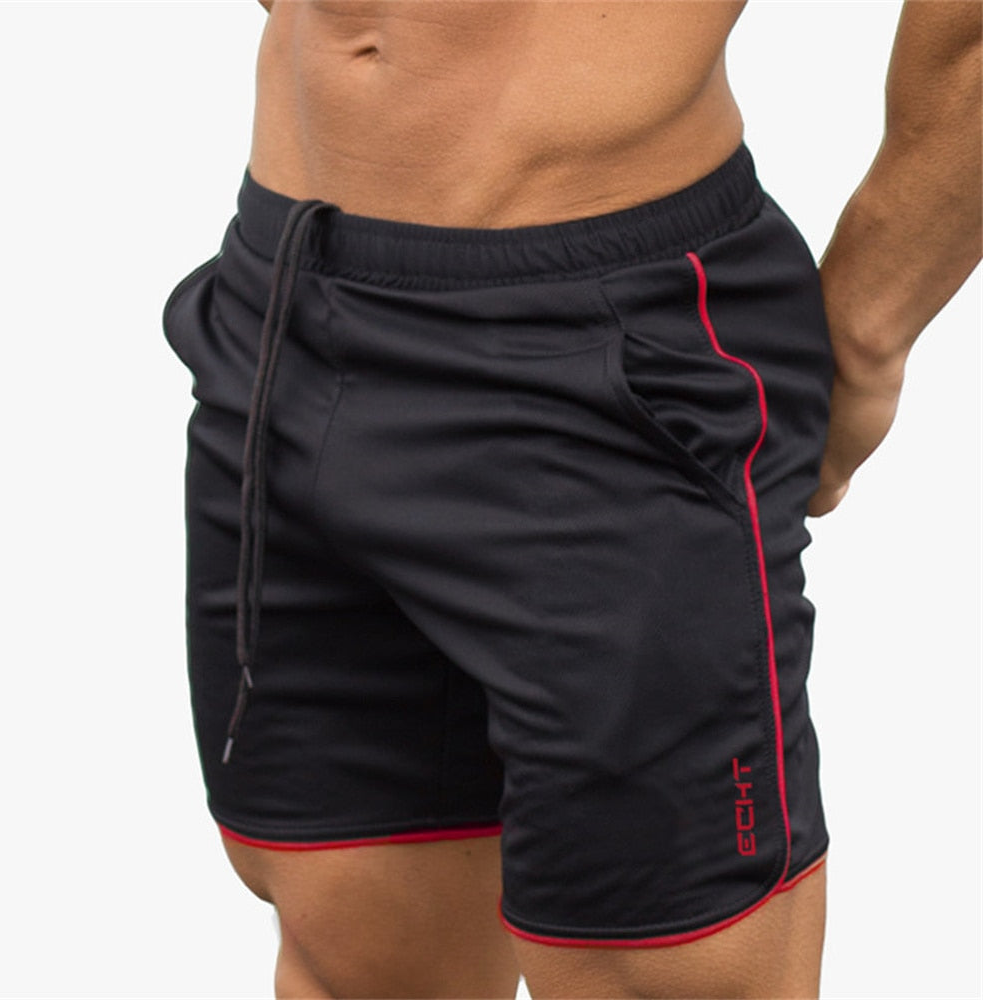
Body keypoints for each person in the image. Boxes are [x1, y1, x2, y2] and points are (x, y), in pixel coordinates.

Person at [161, 1, 981, 996]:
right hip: (285, 302)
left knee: (663, 971)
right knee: (348, 945)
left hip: (601, 345)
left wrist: (867, 330)